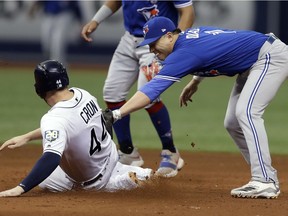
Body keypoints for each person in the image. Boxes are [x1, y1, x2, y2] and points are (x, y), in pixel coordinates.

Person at [103, 16, 288, 199]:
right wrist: (195, 81)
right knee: (232, 123)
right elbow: (218, 47)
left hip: (268, 57)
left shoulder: (183, 53)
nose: (151, 49)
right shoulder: (189, 37)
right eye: (148, 45)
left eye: (154, 43)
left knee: (247, 112)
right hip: (255, 59)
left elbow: (150, 91)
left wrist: (118, 113)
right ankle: (265, 174)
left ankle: (265, 181)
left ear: (169, 36)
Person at [0, 60, 153, 197]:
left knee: (46, 177)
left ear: (40, 89)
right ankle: (129, 173)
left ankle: (121, 182)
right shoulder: (82, 94)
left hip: (94, 181)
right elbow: (70, 126)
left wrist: (20, 188)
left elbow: (51, 158)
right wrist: (27, 137)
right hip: (110, 157)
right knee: (46, 180)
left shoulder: (53, 119)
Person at [81, 0, 195, 178]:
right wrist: (96, 20)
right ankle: (128, 152)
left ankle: (170, 151)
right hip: (129, 39)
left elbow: (187, 12)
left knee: (148, 94)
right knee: (112, 93)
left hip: (158, 41)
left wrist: (174, 42)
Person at [28, 1, 84, 66]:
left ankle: (61, 70)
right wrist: (33, 8)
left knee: (57, 46)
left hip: (64, 16)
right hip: (48, 15)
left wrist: (81, 21)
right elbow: (39, 1)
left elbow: (76, 5)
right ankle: (49, 68)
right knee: (46, 45)